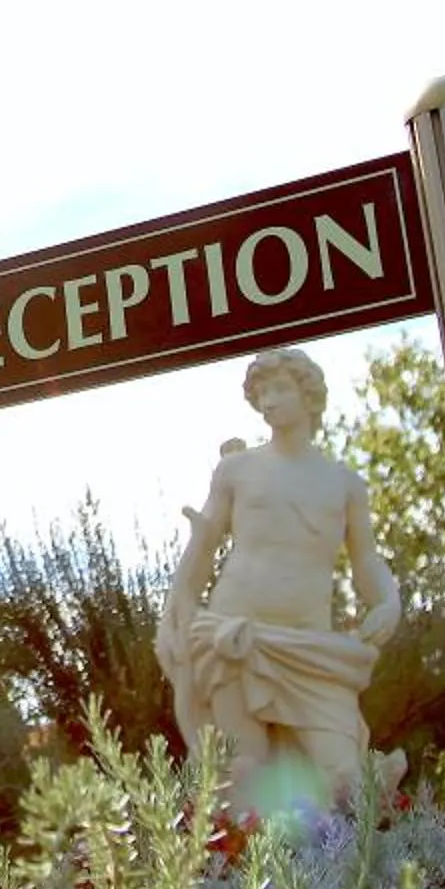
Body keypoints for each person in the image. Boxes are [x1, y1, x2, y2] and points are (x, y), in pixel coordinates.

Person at [157, 347, 400, 816]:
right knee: (242, 774)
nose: (269, 401)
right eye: (262, 393)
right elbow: (203, 546)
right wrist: (173, 614)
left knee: (344, 775)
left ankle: (346, 859)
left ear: (309, 397)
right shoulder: (236, 471)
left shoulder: (345, 485)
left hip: (310, 647)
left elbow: (366, 560)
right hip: (234, 636)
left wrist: (388, 601)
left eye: (280, 389)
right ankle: (240, 862)